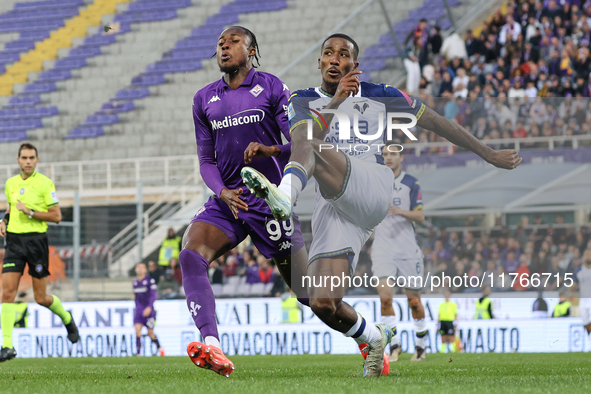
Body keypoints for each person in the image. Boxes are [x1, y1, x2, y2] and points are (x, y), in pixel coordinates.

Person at [241, 33, 520, 377]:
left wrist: (488, 154)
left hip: (372, 185)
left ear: (354, 66)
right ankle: (374, 337)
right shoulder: (300, 99)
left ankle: (284, 196)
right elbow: (302, 140)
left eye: (343, 55)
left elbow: (437, 122)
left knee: (314, 146)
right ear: (319, 62)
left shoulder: (382, 95)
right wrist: (326, 110)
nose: (334, 59)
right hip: (335, 203)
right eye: (327, 53)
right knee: (322, 303)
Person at [182, 26, 308, 377]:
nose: (224, 47)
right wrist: (222, 192)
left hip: (269, 200)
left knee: (311, 295)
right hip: (229, 200)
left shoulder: (271, 87)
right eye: (221, 43)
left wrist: (271, 150)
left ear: (251, 50)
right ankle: (214, 347)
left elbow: (299, 142)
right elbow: (206, 161)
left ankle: (367, 336)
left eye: (233, 41)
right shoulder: (203, 98)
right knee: (191, 255)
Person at [0, 143, 79, 362]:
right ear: (18, 160)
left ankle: (66, 318)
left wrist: (31, 212)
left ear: (37, 160)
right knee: (7, 293)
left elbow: (56, 216)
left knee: (41, 297)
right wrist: (5, 220)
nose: (27, 161)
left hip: (36, 242)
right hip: (14, 242)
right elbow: (10, 207)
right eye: (24, 157)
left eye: (31, 157)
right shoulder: (11, 183)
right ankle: (7, 346)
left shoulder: (45, 184)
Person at [370, 140, 428, 362]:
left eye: (392, 153)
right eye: (385, 154)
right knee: (385, 300)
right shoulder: (376, 183)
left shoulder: (411, 183)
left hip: (407, 250)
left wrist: (401, 211)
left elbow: (421, 216)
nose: (388, 157)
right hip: (382, 249)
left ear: (401, 157)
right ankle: (394, 346)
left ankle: (421, 347)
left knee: (414, 301)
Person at [133, 262, 165, 356]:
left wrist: (149, 307)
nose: (139, 269)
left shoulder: (150, 281)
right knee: (137, 330)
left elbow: (152, 295)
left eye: (142, 268)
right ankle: (138, 353)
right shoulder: (135, 282)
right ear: (136, 270)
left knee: (150, 333)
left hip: (149, 311)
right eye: (138, 267)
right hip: (139, 310)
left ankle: (160, 348)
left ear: (145, 270)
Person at [575, 248, 591, 344]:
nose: (588, 256)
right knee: (585, 321)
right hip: (583, 299)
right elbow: (573, 284)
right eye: (586, 255)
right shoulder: (579, 270)